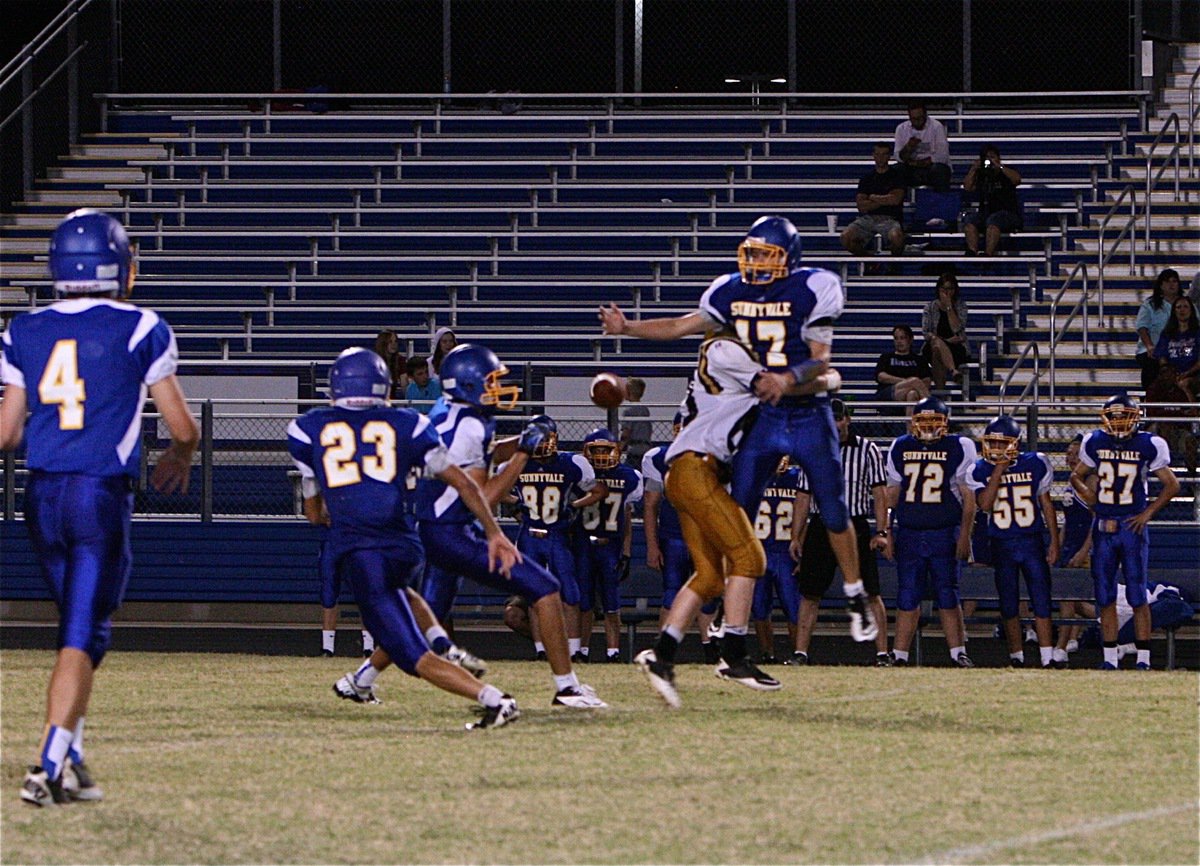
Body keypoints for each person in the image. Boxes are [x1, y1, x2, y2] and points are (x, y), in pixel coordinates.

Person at [599, 216, 880, 652]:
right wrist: (628, 328)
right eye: (752, 253)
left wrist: (788, 380)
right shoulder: (728, 291)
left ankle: (854, 590)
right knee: (740, 515)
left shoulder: (814, 286)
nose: (756, 263)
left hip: (806, 410)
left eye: (767, 255)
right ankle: (733, 629)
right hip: (762, 415)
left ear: (790, 259)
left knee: (834, 508)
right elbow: (679, 325)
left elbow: (822, 362)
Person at [0, 209, 199, 806]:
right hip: (97, 495)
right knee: (80, 634)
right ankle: (48, 762)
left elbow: (7, 434)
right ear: (119, 265)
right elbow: (182, 425)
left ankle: (72, 755)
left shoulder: (23, 329)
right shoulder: (140, 326)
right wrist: (180, 456)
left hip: (41, 496)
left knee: (86, 629)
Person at [287, 348, 521, 730]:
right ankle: (435, 647)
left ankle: (495, 700)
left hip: (364, 553)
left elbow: (314, 515)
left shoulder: (306, 429)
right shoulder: (408, 422)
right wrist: (494, 532)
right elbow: (463, 483)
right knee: (404, 593)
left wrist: (341, 507)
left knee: (412, 656)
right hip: (405, 545)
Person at [631, 328, 843, 706]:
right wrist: (823, 378)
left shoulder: (732, 359)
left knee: (711, 577)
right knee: (750, 558)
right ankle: (734, 655)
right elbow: (774, 385)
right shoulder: (726, 349)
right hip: (697, 470)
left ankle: (661, 655)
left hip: (693, 471)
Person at [417, 343, 606, 707]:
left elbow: (485, 452)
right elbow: (483, 497)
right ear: (468, 385)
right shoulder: (468, 425)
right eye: (489, 382)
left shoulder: (450, 411)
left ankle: (360, 678)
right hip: (453, 531)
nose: (496, 388)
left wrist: (520, 442)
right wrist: (523, 454)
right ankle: (567, 688)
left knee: (426, 614)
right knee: (545, 588)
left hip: (437, 527)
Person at [1071, 394, 1179, 670]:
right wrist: (1091, 498)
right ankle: (1109, 659)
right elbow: (1075, 476)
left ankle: (1143, 659)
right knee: (1104, 595)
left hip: (1131, 525)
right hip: (1105, 526)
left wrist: (1147, 513)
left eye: (1124, 416)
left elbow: (1172, 485)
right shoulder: (1094, 441)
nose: (1119, 423)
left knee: (1137, 594)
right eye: (1114, 417)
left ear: (1136, 417)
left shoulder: (1148, 443)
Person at [791, 399, 892, 665]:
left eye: (838, 419)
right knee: (810, 593)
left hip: (854, 524)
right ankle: (800, 653)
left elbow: (880, 494)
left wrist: (882, 530)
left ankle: (883, 653)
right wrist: (795, 535)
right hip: (821, 525)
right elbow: (803, 497)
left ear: (847, 419)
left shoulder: (867, 449)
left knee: (871, 592)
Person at [879, 397, 978, 667]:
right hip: (910, 530)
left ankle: (958, 652)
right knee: (907, 593)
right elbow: (892, 494)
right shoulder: (901, 445)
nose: (928, 427)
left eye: (935, 422)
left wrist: (965, 534)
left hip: (944, 530)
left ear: (946, 423)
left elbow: (969, 497)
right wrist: (886, 530)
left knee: (948, 593)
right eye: (923, 421)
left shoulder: (959, 445)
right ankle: (899, 656)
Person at [507, 414, 605, 662]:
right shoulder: (518, 463)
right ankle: (541, 651)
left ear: (555, 438)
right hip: (529, 535)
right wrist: (517, 502)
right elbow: (492, 489)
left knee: (570, 594)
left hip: (557, 535)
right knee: (533, 595)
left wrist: (575, 504)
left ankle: (573, 652)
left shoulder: (571, 463)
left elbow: (598, 490)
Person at [967, 415, 1060, 668]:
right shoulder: (980, 469)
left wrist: (1053, 540)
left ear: (1015, 444)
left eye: (1001, 443)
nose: (995, 448)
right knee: (1008, 602)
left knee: (1041, 599)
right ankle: (1016, 656)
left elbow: (1046, 504)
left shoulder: (1036, 463)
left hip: (1031, 540)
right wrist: (999, 469)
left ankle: (1047, 657)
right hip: (1002, 542)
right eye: (992, 443)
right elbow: (985, 504)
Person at [642, 412, 720, 663]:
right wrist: (652, 545)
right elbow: (651, 505)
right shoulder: (658, 458)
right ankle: (662, 652)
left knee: (707, 597)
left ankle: (711, 652)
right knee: (671, 593)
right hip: (673, 536)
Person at [575, 428, 642, 662]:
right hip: (584, 544)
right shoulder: (580, 475)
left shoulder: (629, 476)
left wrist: (626, 550)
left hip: (610, 546)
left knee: (612, 604)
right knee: (584, 603)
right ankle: (581, 651)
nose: (602, 455)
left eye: (606, 449)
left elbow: (627, 517)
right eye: (597, 450)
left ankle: (612, 653)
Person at [750, 457, 801, 664]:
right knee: (760, 608)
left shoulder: (798, 478)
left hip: (786, 552)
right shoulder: (753, 476)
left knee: (794, 608)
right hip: (759, 551)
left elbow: (805, 515)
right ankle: (767, 654)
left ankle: (799, 654)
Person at [316, 518, 375, 658]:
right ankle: (327, 648)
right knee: (329, 591)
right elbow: (317, 513)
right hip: (332, 540)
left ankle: (368, 646)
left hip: (358, 540)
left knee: (365, 592)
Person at [841, 142, 906, 257]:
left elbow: (895, 200)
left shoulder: (897, 176)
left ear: (889, 156)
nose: (881, 158)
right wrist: (885, 200)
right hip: (868, 219)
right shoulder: (867, 178)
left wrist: (873, 197)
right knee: (846, 237)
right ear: (873, 156)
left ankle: (893, 266)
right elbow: (861, 206)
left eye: (884, 154)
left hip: (890, 219)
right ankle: (870, 261)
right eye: (878, 154)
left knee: (897, 238)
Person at [961, 144, 1023, 257]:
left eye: (992, 157)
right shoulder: (980, 174)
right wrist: (973, 169)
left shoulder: (1006, 172)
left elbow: (1017, 180)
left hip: (1008, 213)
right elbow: (967, 187)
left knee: (993, 220)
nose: (989, 160)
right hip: (986, 212)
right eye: (986, 157)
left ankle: (988, 253)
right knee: (970, 219)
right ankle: (972, 251)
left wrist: (999, 166)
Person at [920, 271, 970, 391]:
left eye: (951, 289)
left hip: (955, 347)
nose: (948, 292)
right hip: (933, 344)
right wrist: (943, 340)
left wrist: (949, 307)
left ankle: (940, 393)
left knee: (937, 352)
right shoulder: (930, 307)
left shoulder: (961, 306)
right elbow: (926, 332)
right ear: (939, 289)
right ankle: (953, 371)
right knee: (936, 345)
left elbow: (957, 329)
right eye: (944, 289)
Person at [1134, 269, 1182, 391]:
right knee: (1152, 365)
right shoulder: (1150, 304)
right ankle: (1151, 399)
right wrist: (1149, 346)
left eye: (1174, 281)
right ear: (1161, 285)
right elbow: (1142, 326)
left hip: (1179, 348)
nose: (1171, 285)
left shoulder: (1185, 304)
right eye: (1167, 282)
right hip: (1153, 350)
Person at [894, 101, 952, 193]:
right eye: (913, 119)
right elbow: (898, 157)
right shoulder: (901, 128)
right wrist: (908, 147)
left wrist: (918, 163)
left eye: (919, 118)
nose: (917, 122)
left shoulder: (936, 127)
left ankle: (941, 204)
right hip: (911, 169)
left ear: (925, 115)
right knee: (896, 170)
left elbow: (942, 156)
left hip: (931, 168)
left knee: (940, 170)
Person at [1152, 296, 1200, 402]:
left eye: (1185, 307)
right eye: (1178, 307)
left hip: (1195, 375)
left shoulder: (1197, 333)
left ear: (1191, 310)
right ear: (1174, 311)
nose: (1182, 310)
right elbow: (1161, 356)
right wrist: (1169, 372)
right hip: (1172, 374)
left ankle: (1193, 414)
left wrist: (1186, 374)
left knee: (1183, 384)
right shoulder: (1167, 334)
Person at [875, 324, 932, 405]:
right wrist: (909, 382)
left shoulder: (920, 360)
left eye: (902, 338)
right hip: (890, 392)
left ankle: (910, 417)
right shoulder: (886, 357)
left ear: (910, 339)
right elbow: (881, 377)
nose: (899, 341)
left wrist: (911, 384)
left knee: (912, 394)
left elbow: (927, 382)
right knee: (915, 381)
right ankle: (931, 410)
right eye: (896, 338)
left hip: (913, 393)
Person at [619, 377, 652, 469]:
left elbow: (626, 432)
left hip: (634, 449)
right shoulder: (644, 409)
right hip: (645, 447)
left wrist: (619, 448)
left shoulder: (628, 410)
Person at [373, 328, 408, 398]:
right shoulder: (374, 360)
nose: (394, 344)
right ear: (383, 343)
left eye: (395, 341)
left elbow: (404, 384)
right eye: (390, 342)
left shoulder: (400, 360)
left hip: (392, 399)